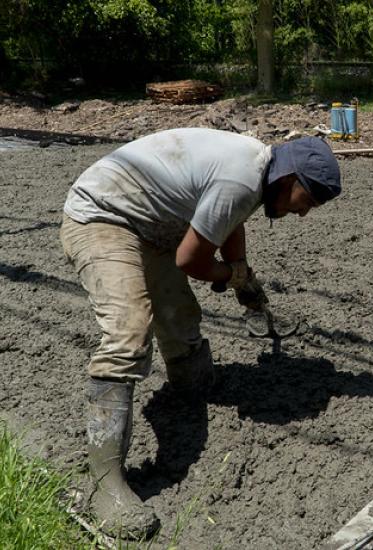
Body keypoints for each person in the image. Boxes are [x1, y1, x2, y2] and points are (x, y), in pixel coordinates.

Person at [59, 129, 342, 538]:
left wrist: (241, 272)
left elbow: (228, 221)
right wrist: (232, 275)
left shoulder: (256, 167)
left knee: (178, 315)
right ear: (290, 180)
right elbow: (191, 259)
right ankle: (104, 486)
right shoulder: (241, 180)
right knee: (128, 334)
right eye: (308, 201)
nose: (304, 213)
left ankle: (192, 387)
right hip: (103, 216)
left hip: (150, 221)